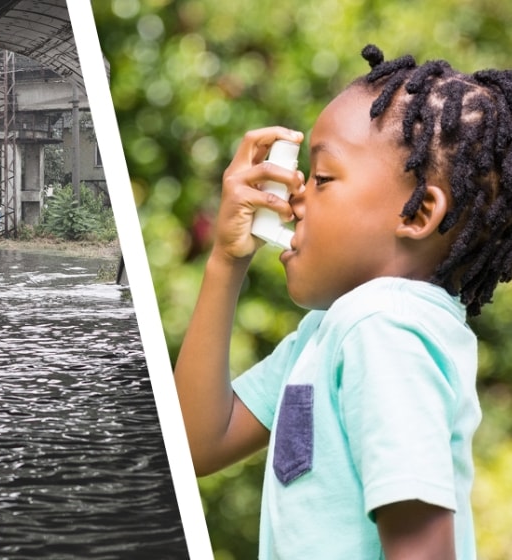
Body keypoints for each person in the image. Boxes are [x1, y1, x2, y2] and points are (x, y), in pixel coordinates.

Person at [173, 44, 512, 558]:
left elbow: (422, 549)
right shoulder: (331, 332)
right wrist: (226, 259)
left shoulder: (383, 329)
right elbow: (195, 443)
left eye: (323, 178)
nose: (295, 198)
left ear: (417, 213)